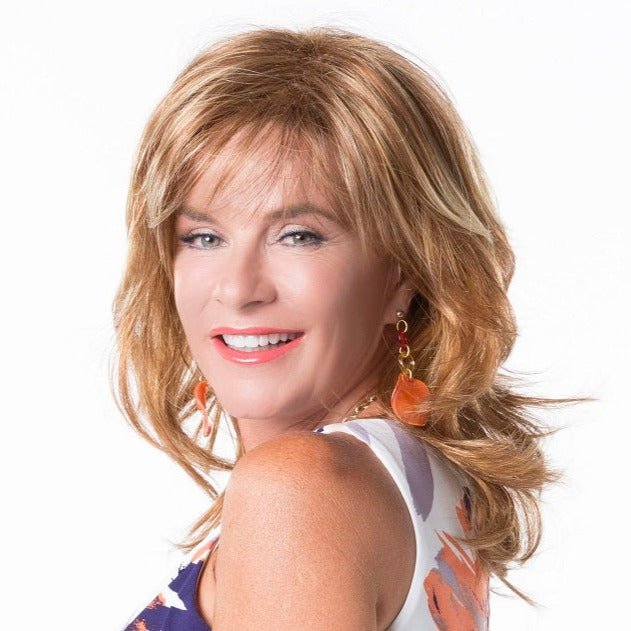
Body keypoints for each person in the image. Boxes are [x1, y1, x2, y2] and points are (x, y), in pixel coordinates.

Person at [112, 26, 579, 630]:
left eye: (298, 235)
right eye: (203, 237)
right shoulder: (401, 477)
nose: (238, 288)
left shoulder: (300, 490)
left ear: (406, 271)